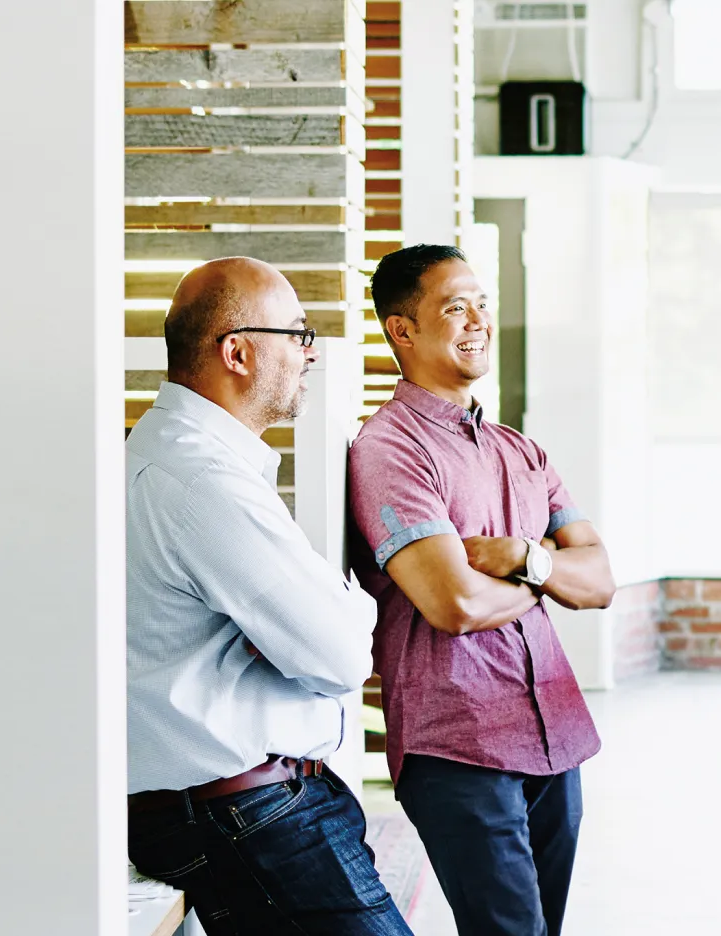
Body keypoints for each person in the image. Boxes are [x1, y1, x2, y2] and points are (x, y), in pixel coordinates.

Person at [126, 257, 412, 934]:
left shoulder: (182, 458)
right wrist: (351, 599)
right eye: (297, 332)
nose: (310, 352)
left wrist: (305, 620)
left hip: (249, 810)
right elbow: (341, 658)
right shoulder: (201, 482)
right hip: (253, 820)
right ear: (238, 351)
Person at [347, 244, 615, 936]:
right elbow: (453, 602)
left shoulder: (520, 451)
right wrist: (548, 572)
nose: (477, 321)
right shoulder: (388, 449)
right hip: (458, 745)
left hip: (554, 737)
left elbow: (601, 580)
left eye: (482, 304)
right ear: (401, 330)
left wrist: (524, 558)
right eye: (454, 306)